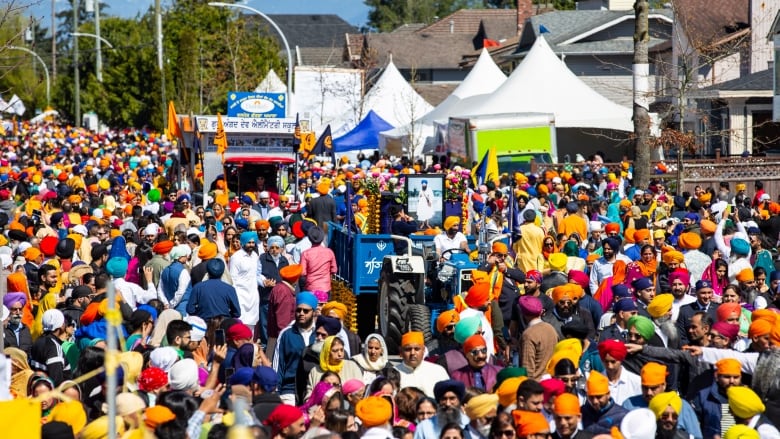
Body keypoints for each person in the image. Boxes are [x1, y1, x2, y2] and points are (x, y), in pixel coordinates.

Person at [273, 292, 318, 405]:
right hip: (289, 390)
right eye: (298, 310)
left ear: (314, 312)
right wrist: (276, 393)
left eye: (306, 311)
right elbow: (278, 365)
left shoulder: (319, 334)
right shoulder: (286, 334)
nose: (301, 313)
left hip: (315, 390)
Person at [395, 331, 450, 398]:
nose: (412, 353)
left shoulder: (437, 371)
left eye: (417, 349)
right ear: (401, 351)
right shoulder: (394, 372)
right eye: (408, 349)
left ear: (423, 350)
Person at [518, 295, 557, 380]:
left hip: (536, 384)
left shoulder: (529, 334)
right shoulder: (551, 329)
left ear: (523, 313)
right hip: (551, 380)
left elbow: (527, 368)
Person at [30, 309, 72, 385]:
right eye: (63, 322)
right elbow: (56, 380)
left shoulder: (37, 341)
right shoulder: (54, 347)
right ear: (61, 326)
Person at [229, 231, 261, 331]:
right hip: (241, 295)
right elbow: (232, 279)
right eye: (249, 242)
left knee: (252, 324)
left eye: (253, 242)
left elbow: (257, 274)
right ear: (243, 243)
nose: (251, 245)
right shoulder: (236, 257)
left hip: (253, 294)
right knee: (240, 322)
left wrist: (265, 282)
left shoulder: (255, 256)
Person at [300, 226, 337, 294]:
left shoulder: (305, 254)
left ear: (309, 238)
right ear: (322, 238)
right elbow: (334, 270)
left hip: (310, 288)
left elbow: (302, 272)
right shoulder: (329, 252)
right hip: (325, 288)